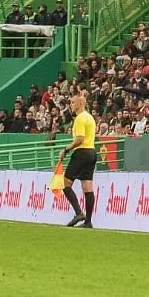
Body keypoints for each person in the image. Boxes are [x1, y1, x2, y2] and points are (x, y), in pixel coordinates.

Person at [58, 91, 98, 227]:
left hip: (81, 153)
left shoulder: (80, 118)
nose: (71, 105)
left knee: (65, 183)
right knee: (87, 187)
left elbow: (80, 139)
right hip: (92, 152)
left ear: (80, 103)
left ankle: (79, 212)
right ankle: (88, 222)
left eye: (73, 102)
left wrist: (66, 149)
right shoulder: (90, 117)